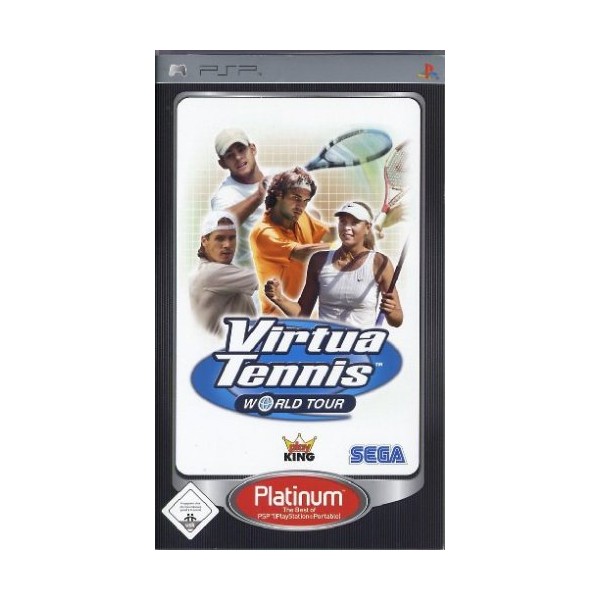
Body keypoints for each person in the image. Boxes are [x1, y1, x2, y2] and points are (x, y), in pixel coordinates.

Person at [264, 201, 403, 328]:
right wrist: (279, 298)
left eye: (354, 222)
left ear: (367, 228)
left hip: (361, 346)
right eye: (343, 222)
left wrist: (391, 311)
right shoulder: (319, 260)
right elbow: (302, 314)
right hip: (327, 345)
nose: (346, 227)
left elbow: (397, 319)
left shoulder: (380, 263)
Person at [249, 167, 334, 315]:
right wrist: (349, 245)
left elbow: (329, 233)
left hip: (304, 315)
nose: (301, 207)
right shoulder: (263, 233)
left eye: (305, 201)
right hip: (277, 319)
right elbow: (305, 254)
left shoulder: (301, 217)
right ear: (279, 195)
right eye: (296, 198)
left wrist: (354, 230)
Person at [189, 211, 258, 336]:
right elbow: (268, 278)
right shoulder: (212, 273)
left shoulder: (221, 271)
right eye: (220, 238)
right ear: (204, 241)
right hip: (219, 346)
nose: (227, 245)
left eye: (232, 238)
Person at [210, 128, 269, 268]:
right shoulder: (224, 195)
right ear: (223, 163)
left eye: (241, 150)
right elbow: (222, 226)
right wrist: (258, 197)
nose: (238, 157)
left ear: (252, 149)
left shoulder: (275, 176)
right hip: (253, 277)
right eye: (230, 155)